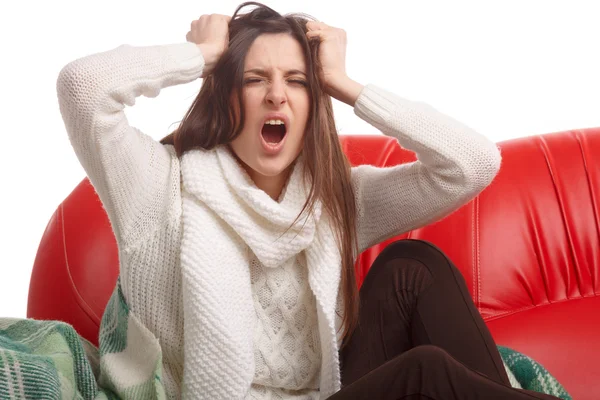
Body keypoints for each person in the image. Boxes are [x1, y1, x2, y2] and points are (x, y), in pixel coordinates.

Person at [55, 2, 563, 399]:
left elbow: (472, 164)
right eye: (254, 79)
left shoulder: (337, 201)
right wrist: (203, 56)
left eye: (297, 81)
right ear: (225, 95)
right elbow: (82, 88)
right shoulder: (158, 190)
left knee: (414, 265)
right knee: (423, 372)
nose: (277, 95)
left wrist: (344, 84)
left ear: (311, 102)